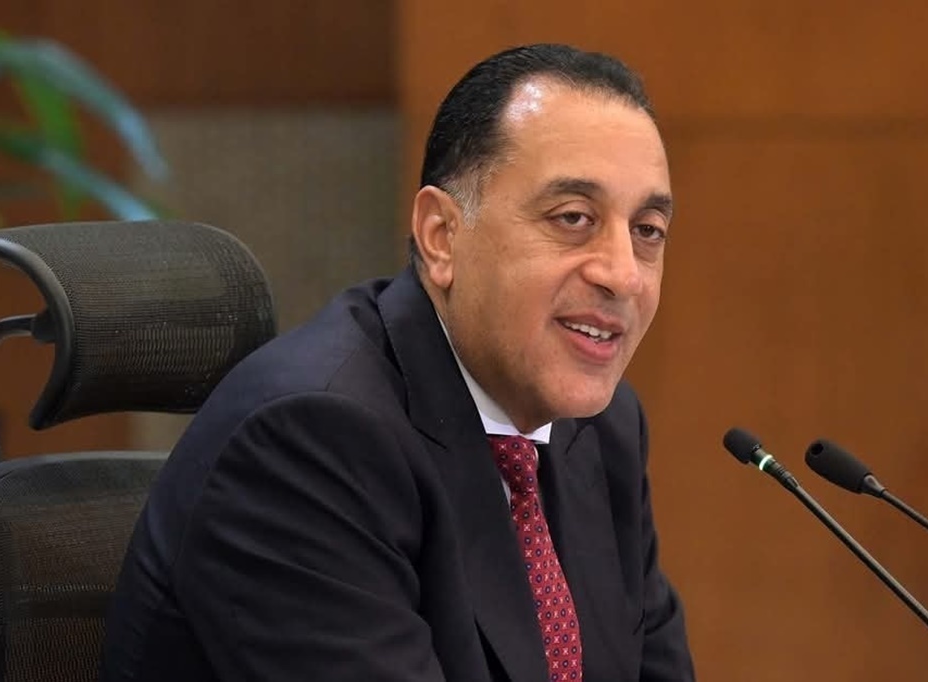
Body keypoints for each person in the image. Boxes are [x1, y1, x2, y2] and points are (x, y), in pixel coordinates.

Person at [100, 43, 695, 682]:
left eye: (647, 230)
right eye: (573, 218)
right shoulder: (312, 442)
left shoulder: (601, 428)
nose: (623, 275)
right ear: (441, 236)